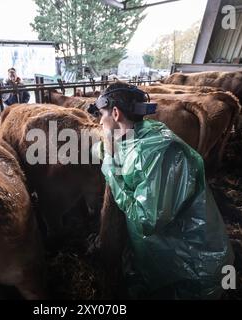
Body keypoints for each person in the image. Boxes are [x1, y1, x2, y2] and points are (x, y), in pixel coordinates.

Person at [88, 82, 233, 299]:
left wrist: (111, 169)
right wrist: (103, 146)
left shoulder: (156, 154)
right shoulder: (147, 131)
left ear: (116, 113)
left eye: (102, 115)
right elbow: (125, 150)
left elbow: (146, 221)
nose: (100, 122)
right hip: (164, 252)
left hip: (192, 269)